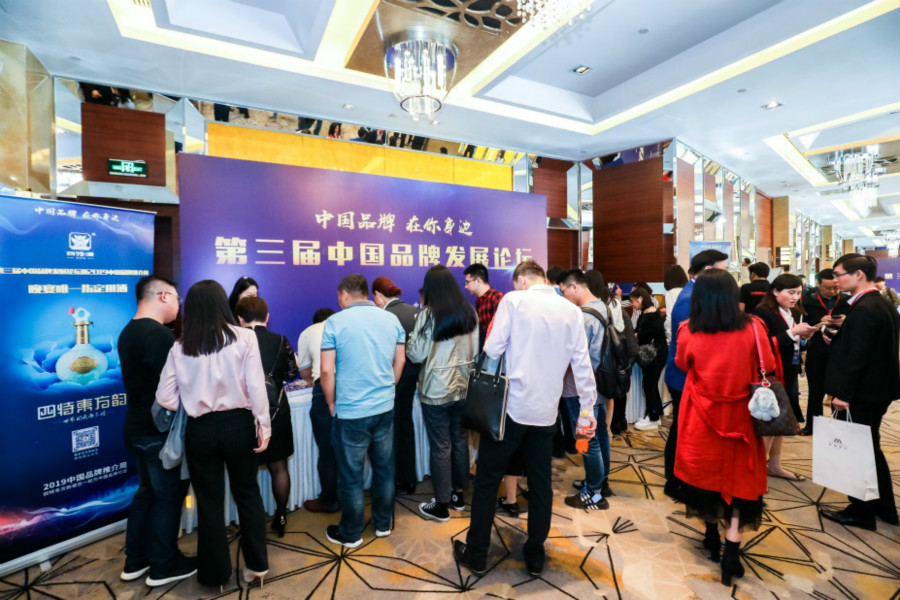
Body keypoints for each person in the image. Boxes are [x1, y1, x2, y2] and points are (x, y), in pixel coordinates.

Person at [454, 261, 597, 578]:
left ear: (521, 280)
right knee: (541, 483)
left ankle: (477, 553)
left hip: (511, 410)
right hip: (545, 413)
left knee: (487, 480)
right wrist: (586, 412)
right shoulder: (571, 311)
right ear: (544, 279)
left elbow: (492, 348)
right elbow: (582, 367)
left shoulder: (513, 301)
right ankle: (535, 554)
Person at [156, 280, 271, 589]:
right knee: (248, 494)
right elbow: (256, 387)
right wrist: (264, 425)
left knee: (208, 502)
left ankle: (215, 575)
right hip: (239, 425)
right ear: (223, 304)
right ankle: (258, 566)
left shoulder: (180, 346)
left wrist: (191, 396)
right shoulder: (245, 337)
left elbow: (165, 397)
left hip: (201, 430)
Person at [671, 269, 776, 586]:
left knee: (706, 479)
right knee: (740, 483)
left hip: (702, 418)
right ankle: (732, 553)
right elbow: (769, 366)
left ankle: (710, 535)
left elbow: (681, 363)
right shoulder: (754, 327)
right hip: (742, 418)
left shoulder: (689, 330)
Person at [118, 276, 196, 587]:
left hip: (136, 428)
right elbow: (179, 387)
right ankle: (163, 564)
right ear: (163, 296)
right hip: (159, 432)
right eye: (177, 298)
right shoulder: (159, 335)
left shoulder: (129, 331)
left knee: (147, 493)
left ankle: (136, 560)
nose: (179, 306)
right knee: (168, 497)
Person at [320, 274, 406, 547]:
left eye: (339, 295)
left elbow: (326, 371)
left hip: (351, 411)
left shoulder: (335, 322)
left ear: (345, 294)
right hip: (384, 407)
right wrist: (388, 388)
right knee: (384, 469)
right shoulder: (391, 319)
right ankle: (382, 525)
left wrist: (331, 402)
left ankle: (351, 533)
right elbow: (400, 360)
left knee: (351, 475)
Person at [821, 254, 900, 531]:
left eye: (838, 273)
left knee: (856, 451)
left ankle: (861, 511)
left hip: (861, 393)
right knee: (870, 448)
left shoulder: (865, 308)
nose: (835, 279)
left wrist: (843, 394)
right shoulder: (880, 303)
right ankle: (884, 507)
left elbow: (859, 356)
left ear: (858, 275)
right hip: (877, 390)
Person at [407, 265, 478, 522]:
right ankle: (458, 495)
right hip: (464, 386)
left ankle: (441, 504)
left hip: (436, 389)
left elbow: (416, 354)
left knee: (440, 446)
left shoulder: (428, 314)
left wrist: (410, 341)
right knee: (460, 441)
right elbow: (476, 349)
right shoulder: (469, 312)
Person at [663, 249, 729, 497]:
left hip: (693, 375)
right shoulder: (689, 299)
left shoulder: (699, 294)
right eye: (724, 270)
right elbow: (689, 345)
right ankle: (675, 481)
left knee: (687, 429)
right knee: (682, 429)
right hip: (684, 376)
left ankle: (684, 478)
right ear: (709, 270)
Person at [235, 296, 300, 538]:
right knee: (279, 466)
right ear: (267, 317)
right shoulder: (280, 340)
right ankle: (281, 516)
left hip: (245, 411)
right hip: (277, 408)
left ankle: (251, 523)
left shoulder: (234, 341)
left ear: (240, 318)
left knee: (246, 470)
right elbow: (292, 373)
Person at [753, 274, 817, 481]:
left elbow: (792, 341)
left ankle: (774, 465)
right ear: (775, 291)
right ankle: (756, 471)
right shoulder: (763, 312)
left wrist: (803, 336)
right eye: (791, 292)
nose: (795, 297)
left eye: (798, 293)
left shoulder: (793, 311)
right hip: (771, 373)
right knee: (770, 424)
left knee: (780, 422)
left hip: (789, 370)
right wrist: (793, 333)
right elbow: (761, 344)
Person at [559, 269, 611, 508]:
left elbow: (580, 359)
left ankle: (594, 492)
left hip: (581, 390)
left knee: (588, 441)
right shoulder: (602, 307)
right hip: (599, 386)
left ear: (574, 287)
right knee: (600, 436)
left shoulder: (582, 317)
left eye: (563, 291)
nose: (564, 297)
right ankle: (599, 481)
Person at [372, 276, 420, 495]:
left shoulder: (385, 316)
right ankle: (408, 478)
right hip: (413, 375)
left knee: (389, 430)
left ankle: (394, 479)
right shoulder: (414, 311)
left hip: (392, 377)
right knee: (405, 425)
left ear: (378, 295)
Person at [296, 308, 340, 513]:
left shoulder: (308, 332)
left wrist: (311, 380)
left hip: (324, 389)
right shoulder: (344, 326)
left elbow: (304, 369)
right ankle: (351, 498)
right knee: (351, 447)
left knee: (327, 449)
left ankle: (329, 501)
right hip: (350, 387)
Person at [799, 269, 849, 435]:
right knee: (815, 391)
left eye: (835, 287)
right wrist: (818, 321)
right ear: (818, 284)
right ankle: (812, 426)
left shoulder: (847, 301)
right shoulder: (808, 301)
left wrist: (845, 321)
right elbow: (802, 326)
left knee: (839, 392)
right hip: (817, 351)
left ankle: (840, 428)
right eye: (827, 288)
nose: (832, 291)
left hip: (840, 353)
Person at [631, 287, 668, 431]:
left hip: (655, 355)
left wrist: (637, 335)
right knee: (650, 385)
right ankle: (655, 414)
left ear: (640, 298)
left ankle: (653, 417)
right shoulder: (646, 313)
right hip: (653, 354)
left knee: (650, 386)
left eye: (633, 301)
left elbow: (647, 334)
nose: (633, 304)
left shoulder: (652, 314)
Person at [463, 263, 503, 352]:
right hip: (485, 351)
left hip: (495, 352)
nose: (465, 286)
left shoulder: (496, 298)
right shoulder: (479, 302)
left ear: (478, 281)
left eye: (467, 282)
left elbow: (501, 331)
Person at [663, 265, 689, 345]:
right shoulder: (689, 291)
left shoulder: (670, 294)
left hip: (677, 334)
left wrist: (669, 337)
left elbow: (670, 318)